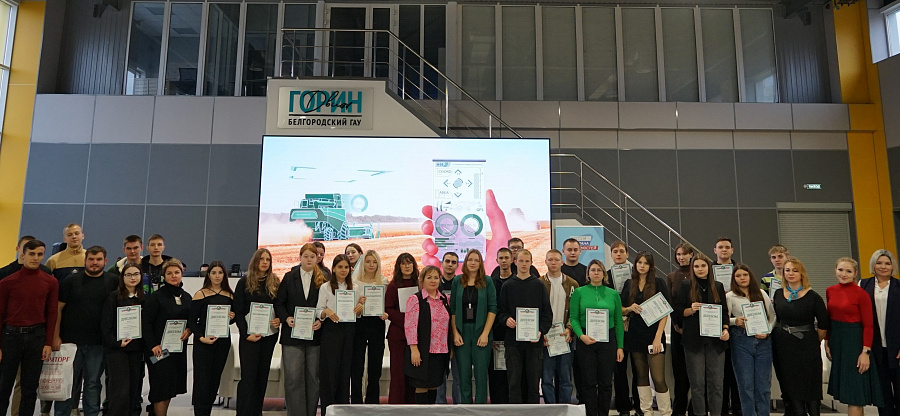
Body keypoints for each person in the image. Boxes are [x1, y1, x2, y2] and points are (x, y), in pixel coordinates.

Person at [52, 245, 118, 416]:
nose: (94, 263)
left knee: (92, 383)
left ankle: (92, 413)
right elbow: (57, 309)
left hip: (98, 343)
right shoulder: (70, 281)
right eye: (91, 259)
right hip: (70, 343)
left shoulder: (113, 281)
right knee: (68, 383)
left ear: (105, 261)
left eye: (98, 259)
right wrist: (55, 336)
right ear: (85, 260)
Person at [0, 239, 58, 416]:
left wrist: (48, 342)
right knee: (3, 386)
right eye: (32, 254)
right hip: (10, 337)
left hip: (36, 337)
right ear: (23, 254)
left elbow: (52, 313)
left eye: (40, 254)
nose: (35, 258)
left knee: (30, 388)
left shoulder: (50, 282)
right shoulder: (7, 282)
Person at [771, 257, 829, 416]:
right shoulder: (778, 293)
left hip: (807, 344)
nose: (791, 273)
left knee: (810, 382)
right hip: (784, 345)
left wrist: (814, 340)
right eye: (787, 270)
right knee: (791, 383)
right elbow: (775, 318)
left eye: (795, 270)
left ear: (801, 273)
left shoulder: (813, 296)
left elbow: (823, 323)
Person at [825, 258, 884, 415]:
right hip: (837, 342)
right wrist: (827, 341)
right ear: (835, 270)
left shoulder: (861, 294)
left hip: (855, 343)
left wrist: (865, 352)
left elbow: (868, 325)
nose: (844, 274)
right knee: (848, 394)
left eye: (848, 271)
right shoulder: (830, 290)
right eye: (841, 270)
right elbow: (829, 318)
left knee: (855, 395)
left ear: (855, 274)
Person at [675, 255, 730, 416]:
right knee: (697, 384)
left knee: (717, 384)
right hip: (693, 341)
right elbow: (678, 312)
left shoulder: (718, 286)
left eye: (703, 266)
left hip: (716, 341)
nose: (700, 269)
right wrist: (691, 309)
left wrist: (725, 329)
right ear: (692, 269)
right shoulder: (686, 285)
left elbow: (724, 312)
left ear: (709, 267)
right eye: (696, 266)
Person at [570, 259, 625, 416]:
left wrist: (620, 347)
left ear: (604, 274)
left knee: (606, 382)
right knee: (588, 382)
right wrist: (581, 336)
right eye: (592, 270)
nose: (596, 273)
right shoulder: (579, 292)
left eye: (599, 270)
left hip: (608, 340)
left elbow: (619, 322)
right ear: (588, 273)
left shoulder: (613, 294)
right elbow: (573, 318)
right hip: (586, 340)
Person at [497, 249, 552, 403]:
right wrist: (506, 319)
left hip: (534, 343)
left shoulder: (539, 285)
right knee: (514, 383)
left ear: (531, 263)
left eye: (527, 261)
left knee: (533, 384)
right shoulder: (508, 285)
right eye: (521, 261)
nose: (523, 264)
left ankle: (532, 412)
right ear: (515, 262)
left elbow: (547, 314)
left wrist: (540, 331)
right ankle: (516, 412)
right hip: (513, 343)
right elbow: (500, 311)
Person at [275, 243, 325, 416]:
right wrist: (286, 318)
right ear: (300, 258)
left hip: (315, 336)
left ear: (317, 258)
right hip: (292, 336)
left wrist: (321, 320)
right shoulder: (289, 277)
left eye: (313, 256)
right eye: (306, 256)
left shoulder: (323, 278)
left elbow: (327, 305)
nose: (309, 259)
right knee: (293, 379)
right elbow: (279, 303)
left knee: (313, 379)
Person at [621, 252, 671, 416]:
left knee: (658, 378)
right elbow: (620, 308)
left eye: (646, 263)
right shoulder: (629, 283)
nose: (642, 266)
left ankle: (665, 412)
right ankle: (646, 411)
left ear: (651, 266)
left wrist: (657, 338)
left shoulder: (658, 282)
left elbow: (665, 312)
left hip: (654, 335)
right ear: (635, 264)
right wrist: (629, 308)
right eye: (639, 262)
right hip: (635, 334)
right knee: (641, 375)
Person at [233, 248, 281, 416]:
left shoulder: (275, 282)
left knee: (262, 377)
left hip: (269, 336)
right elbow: (238, 312)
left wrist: (279, 319)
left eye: (268, 259)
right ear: (255, 261)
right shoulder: (244, 282)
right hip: (249, 337)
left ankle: (256, 412)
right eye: (261, 259)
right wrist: (246, 334)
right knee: (248, 378)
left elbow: (280, 306)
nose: (265, 262)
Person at [142, 258, 191, 416]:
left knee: (170, 387)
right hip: (158, 350)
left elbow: (191, 320)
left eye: (176, 272)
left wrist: (190, 329)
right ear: (164, 276)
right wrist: (153, 345)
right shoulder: (156, 297)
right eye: (169, 273)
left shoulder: (187, 297)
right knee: (160, 388)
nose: (173, 276)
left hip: (177, 350)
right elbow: (146, 323)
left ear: (182, 274)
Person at [726, 264, 776, 416]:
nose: (742, 278)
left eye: (745, 275)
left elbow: (772, 316)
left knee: (763, 385)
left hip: (763, 342)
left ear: (750, 276)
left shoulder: (761, 293)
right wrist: (735, 321)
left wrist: (767, 331)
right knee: (745, 385)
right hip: (741, 341)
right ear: (734, 279)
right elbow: (724, 319)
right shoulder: (730, 296)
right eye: (738, 276)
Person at [188, 261, 235, 416]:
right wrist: (201, 338)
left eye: (220, 273)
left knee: (215, 380)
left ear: (224, 275)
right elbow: (192, 321)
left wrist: (232, 317)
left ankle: (207, 411)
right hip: (203, 342)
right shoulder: (200, 294)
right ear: (208, 275)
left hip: (222, 342)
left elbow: (233, 319)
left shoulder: (229, 295)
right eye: (213, 273)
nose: (217, 276)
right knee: (202, 381)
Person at [450, 249, 497, 404]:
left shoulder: (487, 281)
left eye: (476, 260)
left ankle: (481, 409)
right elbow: (453, 309)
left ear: (480, 263)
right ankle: (466, 409)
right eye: (470, 259)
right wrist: (455, 333)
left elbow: (492, 308)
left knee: (481, 375)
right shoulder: (457, 281)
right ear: (465, 262)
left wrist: (485, 334)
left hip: (481, 332)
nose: (473, 263)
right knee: (464, 375)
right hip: (462, 332)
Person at [101, 263, 145, 416]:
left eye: (136, 274)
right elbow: (105, 325)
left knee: (133, 387)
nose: (133, 278)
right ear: (122, 277)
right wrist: (116, 342)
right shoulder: (113, 297)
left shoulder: (144, 298)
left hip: (136, 349)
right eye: (128, 275)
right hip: (117, 350)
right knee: (120, 389)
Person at [859, 249, 900, 416]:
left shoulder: (898, 286)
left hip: (896, 348)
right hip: (875, 347)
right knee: (882, 393)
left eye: (887, 263)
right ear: (873, 265)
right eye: (879, 263)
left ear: (893, 266)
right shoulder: (863, 284)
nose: (883, 266)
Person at [405, 265, 452, 404]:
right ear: (422, 280)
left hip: (440, 351)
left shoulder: (445, 299)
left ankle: (431, 412)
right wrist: (414, 349)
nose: (433, 280)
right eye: (429, 277)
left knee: (434, 385)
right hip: (423, 351)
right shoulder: (415, 299)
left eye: (436, 277)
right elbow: (410, 326)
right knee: (421, 386)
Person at [317, 254, 355, 415]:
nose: (343, 270)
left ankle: (342, 411)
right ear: (333, 269)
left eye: (346, 267)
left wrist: (360, 308)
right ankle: (328, 410)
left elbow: (357, 314)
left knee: (344, 373)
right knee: (329, 373)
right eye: (340, 267)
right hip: (331, 332)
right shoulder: (325, 287)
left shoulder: (355, 288)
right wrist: (326, 311)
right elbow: (318, 311)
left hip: (349, 332)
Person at [539, 249, 578, 404]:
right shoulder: (538, 283)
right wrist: (541, 333)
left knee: (565, 378)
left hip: (565, 337)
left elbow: (575, 311)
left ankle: (565, 407)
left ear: (562, 262)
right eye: (550, 260)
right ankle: (550, 408)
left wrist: (570, 329)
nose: (553, 262)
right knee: (546, 378)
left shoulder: (572, 284)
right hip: (546, 338)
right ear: (545, 262)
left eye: (556, 259)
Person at [349, 250, 388, 404]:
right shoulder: (354, 282)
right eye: (368, 261)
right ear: (362, 263)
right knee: (356, 366)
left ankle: (372, 403)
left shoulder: (383, 281)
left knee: (375, 367)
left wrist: (385, 313)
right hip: (359, 324)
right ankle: (356, 402)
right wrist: (358, 305)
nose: (371, 265)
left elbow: (387, 305)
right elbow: (350, 307)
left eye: (374, 262)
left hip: (377, 325)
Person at [608, 240, 639, 416]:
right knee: (619, 369)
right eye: (615, 251)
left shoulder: (636, 276)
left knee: (637, 368)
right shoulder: (605, 276)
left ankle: (639, 404)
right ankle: (623, 406)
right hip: (615, 328)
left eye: (621, 251)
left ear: (627, 254)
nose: (618, 254)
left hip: (634, 327)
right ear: (611, 255)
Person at [712, 237, 741, 416]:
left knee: (736, 371)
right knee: (720, 373)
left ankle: (737, 408)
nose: (724, 250)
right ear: (715, 250)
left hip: (737, 328)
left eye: (727, 247)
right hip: (716, 326)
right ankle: (721, 409)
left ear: (732, 250)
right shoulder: (709, 271)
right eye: (720, 247)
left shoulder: (739, 270)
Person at [385, 252, 420, 404]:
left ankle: (412, 407)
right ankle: (396, 407)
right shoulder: (393, 286)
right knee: (398, 375)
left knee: (413, 374)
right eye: (403, 263)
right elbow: (388, 308)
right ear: (399, 266)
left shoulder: (420, 284)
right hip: (398, 336)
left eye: (409, 262)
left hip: (416, 337)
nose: (407, 266)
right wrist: (408, 321)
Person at [667, 242, 694, 416]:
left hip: (696, 328)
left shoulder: (697, 274)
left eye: (684, 254)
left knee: (696, 371)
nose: (681, 257)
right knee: (679, 372)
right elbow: (670, 303)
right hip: (677, 328)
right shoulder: (671, 276)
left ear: (691, 255)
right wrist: (677, 326)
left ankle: (695, 408)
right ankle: (678, 409)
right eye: (678, 254)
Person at [488, 247, 514, 404]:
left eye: (506, 258)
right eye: (501, 258)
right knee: (496, 374)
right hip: (495, 335)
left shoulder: (517, 281)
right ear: (496, 260)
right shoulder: (491, 282)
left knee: (512, 373)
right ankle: (497, 406)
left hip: (513, 334)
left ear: (512, 260)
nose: (504, 261)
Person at [437, 251, 462, 404]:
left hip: (458, 333)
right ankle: (439, 408)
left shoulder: (461, 284)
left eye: (453, 262)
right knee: (440, 376)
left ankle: (459, 407)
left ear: (457, 265)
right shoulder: (435, 283)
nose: (450, 265)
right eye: (447, 261)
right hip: (439, 335)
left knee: (458, 376)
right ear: (442, 263)